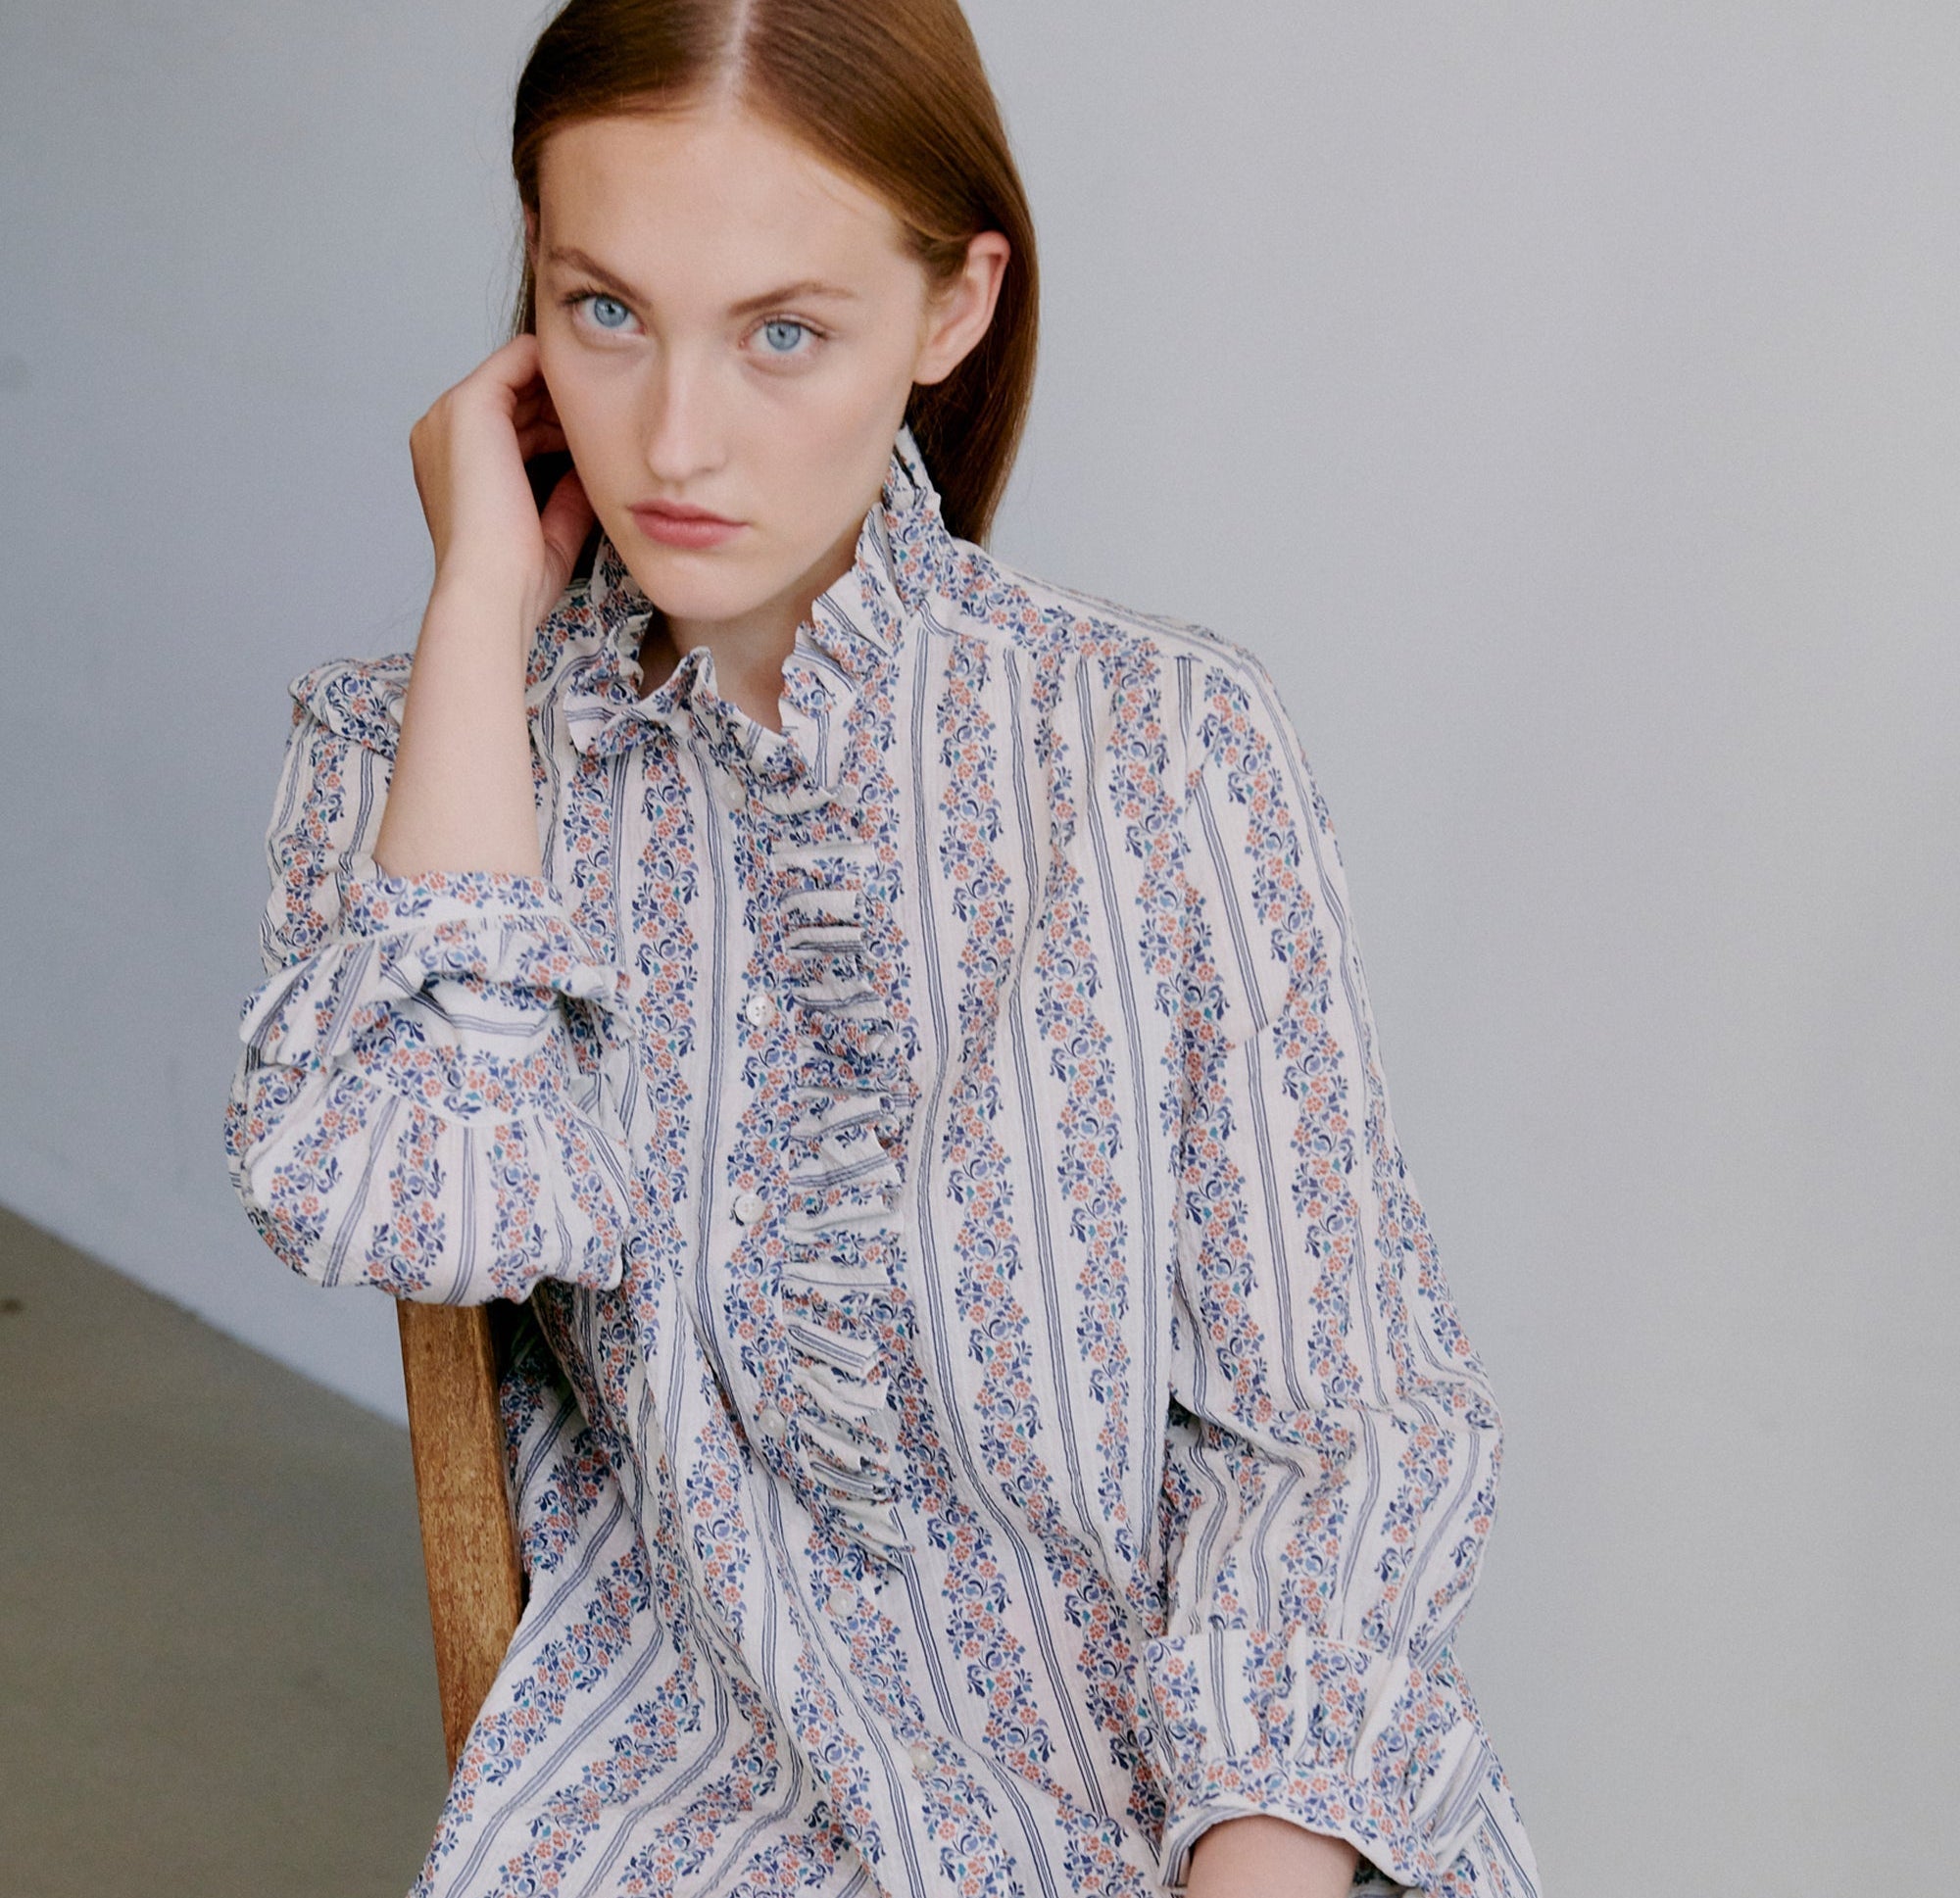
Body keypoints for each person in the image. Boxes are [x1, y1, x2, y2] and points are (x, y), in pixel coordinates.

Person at [223, 2, 1540, 1892]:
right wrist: (477, 611)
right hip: (704, 1779)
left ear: (950, 310)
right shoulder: (425, 762)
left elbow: (1342, 1419)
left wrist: (1249, 1863)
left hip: (1213, 1790)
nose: (678, 436)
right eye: (604, 310)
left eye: (785, 331)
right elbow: (431, 1205)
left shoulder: (1160, 743)